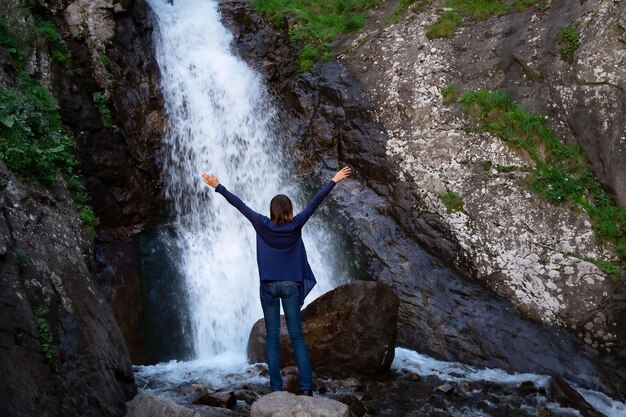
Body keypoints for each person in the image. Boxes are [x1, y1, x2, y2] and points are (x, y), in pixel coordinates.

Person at [201, 167, 351, 396]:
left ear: (272, 211)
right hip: (291, 286)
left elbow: (239, 205)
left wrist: (218, 186)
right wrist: (333, 180)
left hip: (269, 287)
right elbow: (314, 203)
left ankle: (275, 389)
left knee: (272, 338)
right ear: (290, 210)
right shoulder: (296, 224)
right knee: (297, 337)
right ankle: (306, 388)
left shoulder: (262, 224)